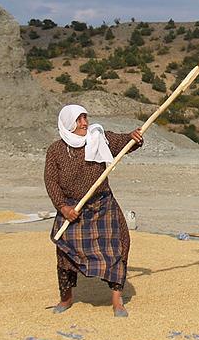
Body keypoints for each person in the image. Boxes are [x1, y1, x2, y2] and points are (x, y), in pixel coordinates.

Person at [44, 104, 143, 316]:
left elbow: (125, 142)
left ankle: (117, 301)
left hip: (103, 205)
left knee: (118, 247)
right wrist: (63, 207)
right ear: (68, 124)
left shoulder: (99, 138)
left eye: (85, 118)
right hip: (73, 210)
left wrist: (133, 137)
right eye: (79, 119)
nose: (84, 123)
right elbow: (51, 181)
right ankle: (66, 298)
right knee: (64, 254)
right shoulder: (56, 151)